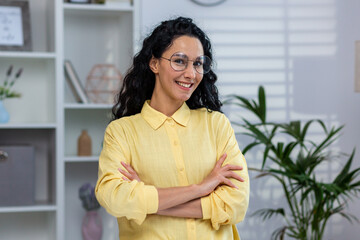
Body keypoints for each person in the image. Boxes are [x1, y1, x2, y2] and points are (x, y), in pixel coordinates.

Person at [95, 16, 249, 240]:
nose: (191, 73)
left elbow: (236, 203)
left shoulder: (216, 125)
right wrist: (201, 188)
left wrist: (151, 201)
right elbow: (113, 197)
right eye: (179, 61)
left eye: (197, 63)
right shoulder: (122, 132)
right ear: (154, 63)